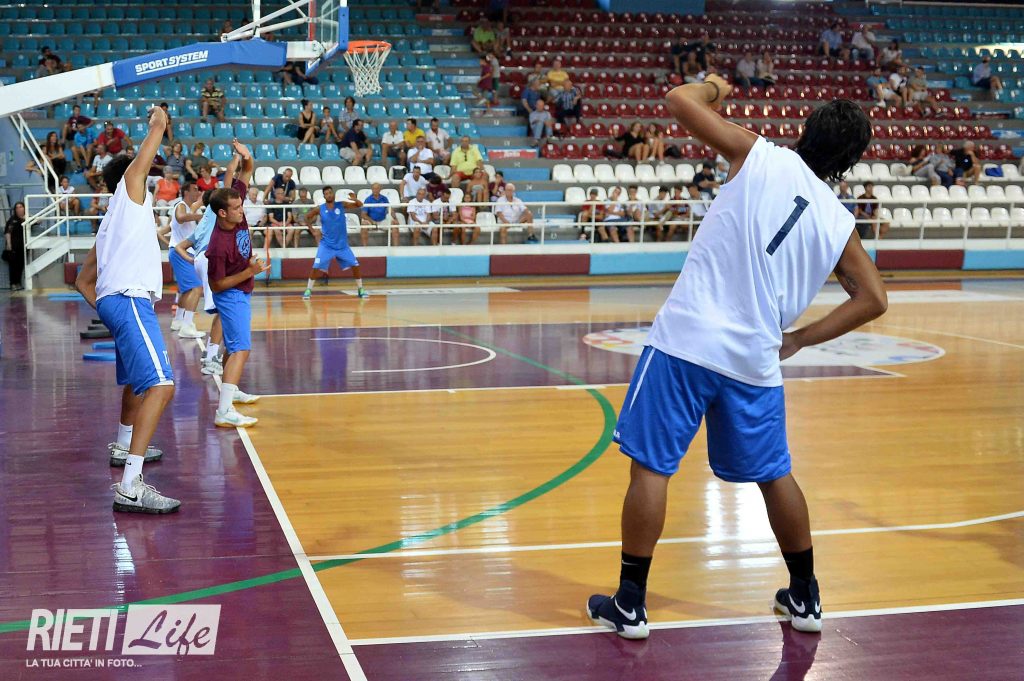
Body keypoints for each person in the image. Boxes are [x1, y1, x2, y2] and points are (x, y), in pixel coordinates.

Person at [586, 75, 885, 640]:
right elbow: (874, 299)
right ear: (850, 162)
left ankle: (630, 603)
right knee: (775, 476)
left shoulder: (759, 155)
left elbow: (677, 100)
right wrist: (801, 339)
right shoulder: (838, 221)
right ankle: (806, 597)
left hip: (686, 343)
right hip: (754, 361)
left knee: (651, 467)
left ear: (806, 130)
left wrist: (715, 85)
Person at [72, 106, 181, 514]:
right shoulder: (131, 196)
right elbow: (143, 161)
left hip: (119, 303)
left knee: (138, 383)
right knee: (161, 385)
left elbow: (83, 282)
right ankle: (131, 485)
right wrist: (159, 123)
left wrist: (110, 311)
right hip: (130, 300)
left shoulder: (111, 222)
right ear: (132, 176)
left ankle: (123, 444)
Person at [204, 142, 266, 428]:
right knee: (241, 349)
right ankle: (224, 410)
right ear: (222, 213)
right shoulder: (218, 246)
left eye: (241, 205)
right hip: (231, 295)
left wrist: (246, 156)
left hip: (240, 291)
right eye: (237, 208)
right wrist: (249, 271)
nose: (242, 211)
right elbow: (217, 285)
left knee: (232, 346)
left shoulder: (235, 211)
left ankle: (232, 389)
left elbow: (247, 171)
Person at [300, 186, 368, 299]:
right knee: (316, 266)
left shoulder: (341, 205)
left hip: (342, 245)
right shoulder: (320, 209)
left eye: (330, 193)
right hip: (326, 245)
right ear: (324, 196)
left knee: (355, 265)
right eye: (326, 193)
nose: (329, 195)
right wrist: (312, 231)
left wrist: (355, 199)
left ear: (334, 194)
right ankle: (308, 290)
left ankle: (360, 289)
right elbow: (306, 217)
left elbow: (360, 205)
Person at [167, 181, 206, 339]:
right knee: (197, 288)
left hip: (179, 251)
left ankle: (178, 321)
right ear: (186, 192)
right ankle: (187, 326)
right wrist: (201, 216)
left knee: (187, 290)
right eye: (194, 189)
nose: (197, 191)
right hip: (180, 252)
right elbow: (181, 217)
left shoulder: (190, 207)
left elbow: (199, 203)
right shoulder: (181, 205)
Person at [4, 202, 26, 290]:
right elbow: (7, 232)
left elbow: (39, 221)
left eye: (21, 207)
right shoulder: (12, 220)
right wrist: (9, 245)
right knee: (13, 266)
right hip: (14, 246)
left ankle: (18, 283)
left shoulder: (26, 218)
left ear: (24, 208)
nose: (19, 209)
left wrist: (28, 217)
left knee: (20, 265)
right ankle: (12, 283)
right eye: (17, 207)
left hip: (23, 246)